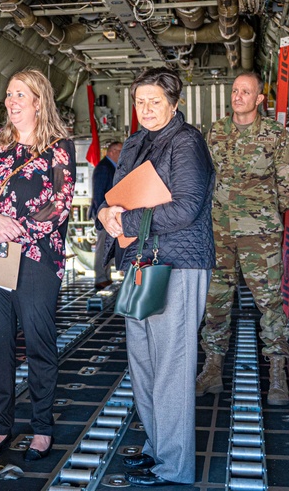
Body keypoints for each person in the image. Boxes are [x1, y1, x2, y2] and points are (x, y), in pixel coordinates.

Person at [97, 67, 214, 487]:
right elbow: (116, 197)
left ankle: (174, 467)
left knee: (172, 366)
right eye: (140, 102)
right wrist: (106, 214)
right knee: (143, 362)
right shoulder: (134, 143)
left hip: (178, 265)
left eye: (155, 102)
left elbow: (188, 207)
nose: (146, 110)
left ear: (174, 104)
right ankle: (157, 447)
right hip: (140, 263)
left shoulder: (187, 143)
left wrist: (127, 219)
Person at [0, 69, 75, 463]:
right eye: (9, 94)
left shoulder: (59, 148)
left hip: (38, 257)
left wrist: (15, 231)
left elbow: (57, 206)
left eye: (20, 95)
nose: (11, 102)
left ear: (39, 101)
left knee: (39, 341)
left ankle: (42, 426)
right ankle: (3, 424)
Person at [196, 71, 289, 405]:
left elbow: (288, 179)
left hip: (260, 234)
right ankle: (212, 370)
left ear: (258, 99)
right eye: (235, 90)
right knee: (215, 301)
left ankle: (277, 375)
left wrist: (267, 211)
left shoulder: (274, 134)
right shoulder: (216, 132)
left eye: (246, 92)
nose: (238, 96)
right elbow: (205, 176)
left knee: (269, 302)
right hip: (219, 229)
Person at [90, 141, 122, 289]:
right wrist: (101, 216)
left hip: (111, 215)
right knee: (103, 247)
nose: (122, 154)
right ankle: (101, 277)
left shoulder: (112, 168)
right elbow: (98, 195)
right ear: (112, 152)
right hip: (104, 216)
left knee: (108, 247)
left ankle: (106, 276)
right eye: (120, 150)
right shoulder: (104, 168)